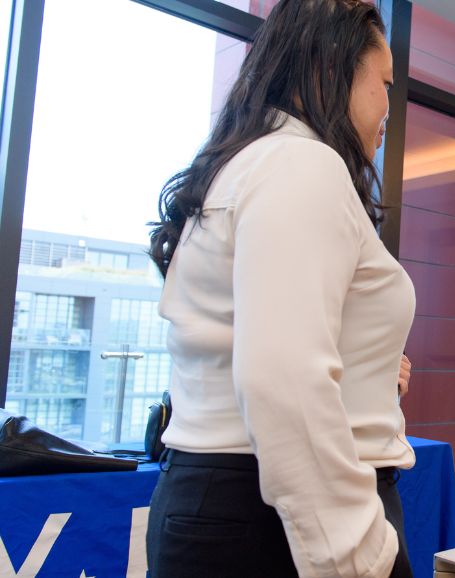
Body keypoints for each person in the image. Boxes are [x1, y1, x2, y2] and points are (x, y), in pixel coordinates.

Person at [145, 1, 415, 576]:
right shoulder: (301, 164)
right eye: (386, 83)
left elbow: (262, 342)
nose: (390, 107)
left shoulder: (252, 162)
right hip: (274, 516)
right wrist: (359, 555)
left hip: (224, 499)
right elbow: (284, 378)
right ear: (333, 67)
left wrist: (369, 368)